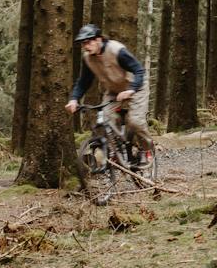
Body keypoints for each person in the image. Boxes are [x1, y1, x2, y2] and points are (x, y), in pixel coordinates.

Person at [65, 24, 152, 164]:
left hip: (136, 86)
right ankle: (116, 153)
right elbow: (83, 82)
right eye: (83, 43)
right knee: (106, 119)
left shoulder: (117, 50)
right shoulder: (88, 58)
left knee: (135, 122)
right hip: (113, 91)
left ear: (98, 39)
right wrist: (74, 99)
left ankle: (146, 149)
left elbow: (139, 70)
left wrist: (132, 89)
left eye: (88, 42)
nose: (86, 46)